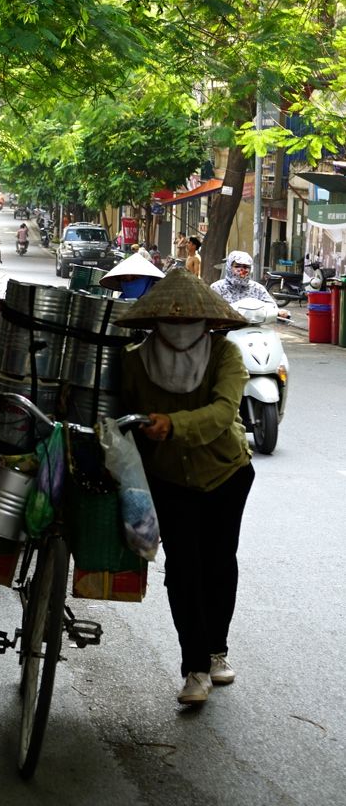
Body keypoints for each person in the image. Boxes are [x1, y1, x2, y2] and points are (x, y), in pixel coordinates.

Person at [117, 269, 253, 706]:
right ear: (153, 324)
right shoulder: (134, 360)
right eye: (169, 324)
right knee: (182, 569)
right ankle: (194, 667)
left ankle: (217, 651)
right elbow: (122, 412)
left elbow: (222, 412)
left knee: (218, 562)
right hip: (168, 478)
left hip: (226, 473)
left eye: (187, 323)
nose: (179, 331)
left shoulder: (226, 355)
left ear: (207, 323)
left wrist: (173, 424)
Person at [210, 250, 278, 307]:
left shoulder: (257, 288)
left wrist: (280, 313)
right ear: (229, 267)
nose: (241, 270)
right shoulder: (217, 288)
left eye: (245, 267)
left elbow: (272, 307)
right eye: (237, 266)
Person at [99, 251, 164, 300]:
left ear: (147, 278)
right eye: (124, 280)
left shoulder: (161, 299)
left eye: (134, 278)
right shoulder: (121, 301)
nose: (129, 283)